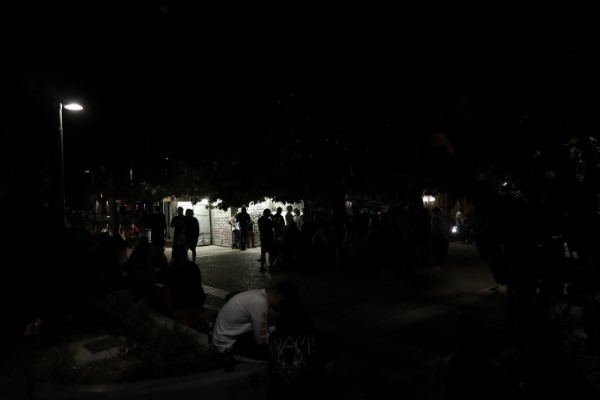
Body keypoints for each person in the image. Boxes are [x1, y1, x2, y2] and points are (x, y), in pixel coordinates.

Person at [211, 281, 300, 365]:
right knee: (278, 353)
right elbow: (261, 341)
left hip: (227, 339)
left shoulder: (259, 294)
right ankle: (237, 357)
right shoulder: (259, 303)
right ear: (282, 299)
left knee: (274, 335)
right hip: (227, 347)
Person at [162, 244, 206, 310]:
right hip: (194, 297)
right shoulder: (192, 266)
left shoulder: (174, 269)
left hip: (188, 299)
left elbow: (170, 285)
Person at [257, 208, 275, 272]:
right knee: (270, 253)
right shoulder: (268, 220)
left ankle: (262, 267)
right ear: (268, 214)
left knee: (263, 252)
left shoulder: (259, 220)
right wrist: (272, 218)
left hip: (263, 238)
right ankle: (271, 267)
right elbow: (274, 226)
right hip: (269, 238)